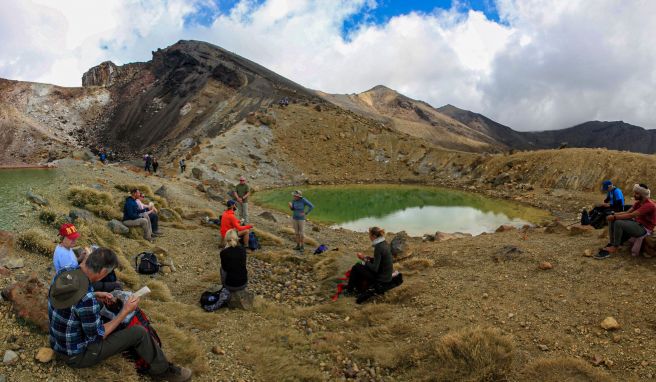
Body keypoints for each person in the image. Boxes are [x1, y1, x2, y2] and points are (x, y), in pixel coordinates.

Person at [48, 248, 192, 381]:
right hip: (75, 355)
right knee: (139, 332)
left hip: (57, 342)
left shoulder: (65, 272)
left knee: (102, 308)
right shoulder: (87, 300)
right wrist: (125, 312)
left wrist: (95, 294)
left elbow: (74, 300)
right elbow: (98, 336)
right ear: (103, 272)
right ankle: (162, 370)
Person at [596, 184, 656, 259]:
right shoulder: (638, 202)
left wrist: (614, 217)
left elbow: (632, 215)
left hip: (645, 228)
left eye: (637, 193)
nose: (634, 195)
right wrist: (613, 214)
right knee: (613, 220)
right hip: (637, 223)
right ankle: (612, 243)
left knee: (618, 222)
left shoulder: (649, 205)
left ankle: (615, 247)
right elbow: (628, 212)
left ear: (643, 195)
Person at [345, 227, 394, 294]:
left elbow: (375, 269)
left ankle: (349, 291)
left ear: (374, 236)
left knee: (356, 267)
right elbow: (381, 260)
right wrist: (369, 258)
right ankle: (356, 287)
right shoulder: (384, 243)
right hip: (387, 276)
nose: (369, 237)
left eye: (369, 235)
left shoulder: (378, 247)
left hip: (381, 279)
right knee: (360, 266)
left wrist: (363, 259)